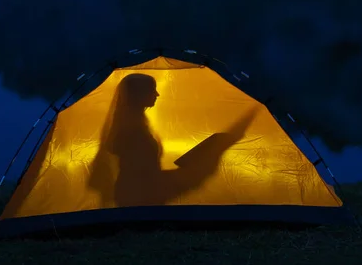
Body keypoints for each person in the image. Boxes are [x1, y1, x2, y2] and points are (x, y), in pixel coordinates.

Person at [88, 73, 257, 207]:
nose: (157, 94)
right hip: (139, 194)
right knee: (205, 158)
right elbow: (139, 170)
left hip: (140, 190)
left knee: (209, 152)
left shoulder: (132, 122)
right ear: (138, 95)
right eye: (152, 90)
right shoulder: (131, 128)